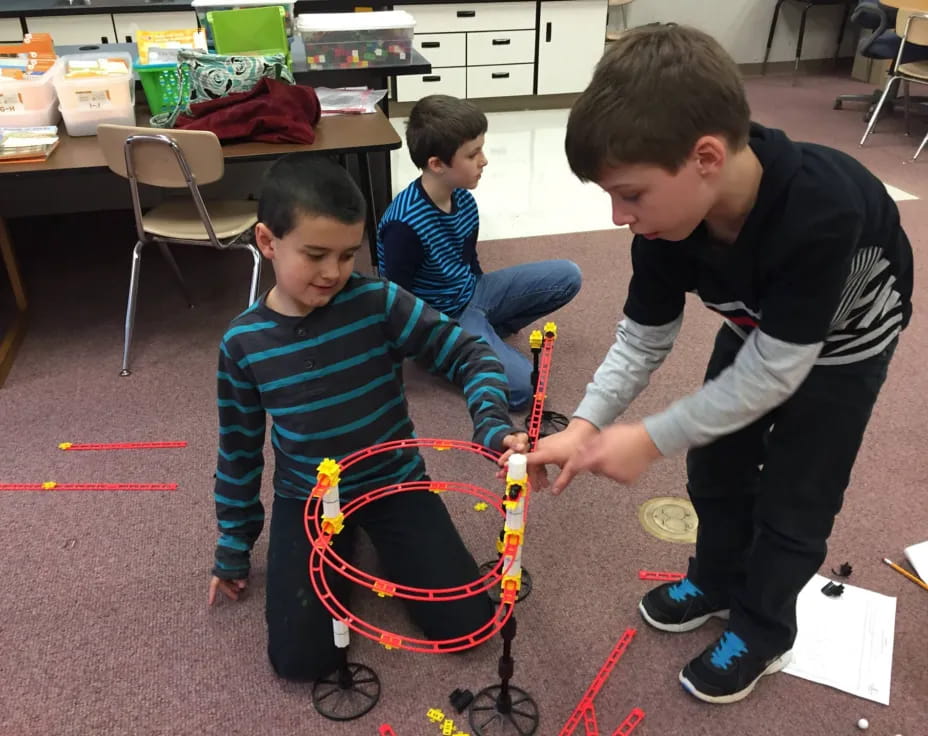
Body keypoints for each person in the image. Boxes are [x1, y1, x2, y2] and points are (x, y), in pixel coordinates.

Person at [527, 24, 913, 704]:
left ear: (706, 156)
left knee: (797, 496)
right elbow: (643, 338)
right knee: (715, 462)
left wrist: (647, 439)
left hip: (845, 347)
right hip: (760, 325)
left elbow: (777, 374)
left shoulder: (820, 211)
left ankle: (764, 629)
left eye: (630, 193)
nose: (619, 216)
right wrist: (586, 424)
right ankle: (716, 577)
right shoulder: (665, 224)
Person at [206, 153, 528, 682]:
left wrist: (492, 424)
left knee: (469, 625)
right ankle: (348, 542)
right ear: (267, 241)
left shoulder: (378, 301)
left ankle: (373, 539)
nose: (333, 272)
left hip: (395, 481)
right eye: (315, 254)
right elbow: (238, 453)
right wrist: (233, 547)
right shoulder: (243, 343)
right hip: (307, 496)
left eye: (348, 254)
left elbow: (470, 353)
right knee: (301, 662)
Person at [377, 94, 582, 411]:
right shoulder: (403, 225)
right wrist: (429, 343)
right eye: (473, 154)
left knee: (569, 275)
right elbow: (394, 298)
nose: (484, 160)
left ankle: (485, 335)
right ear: (437, 164)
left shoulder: (464, 199)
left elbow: (469, 262)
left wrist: (487, 305)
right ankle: (451, 354)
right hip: (441, 319)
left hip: (473, 293)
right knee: (524, 390)